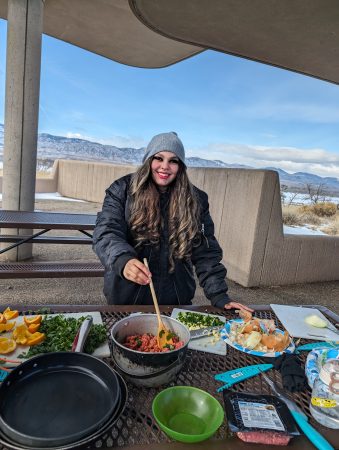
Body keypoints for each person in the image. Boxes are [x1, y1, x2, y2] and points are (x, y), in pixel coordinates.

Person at [93, 132, 253, 312]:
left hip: (176, 299)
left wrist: (219, 296)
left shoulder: (196, 200)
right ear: (148, 160)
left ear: (181, 166)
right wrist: (123, 260)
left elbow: (205, 253)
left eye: (173, 161)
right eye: (159, 158)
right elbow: (106, 231)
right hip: (127, 296)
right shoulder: (122, 189)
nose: (165, 167)